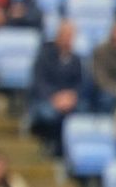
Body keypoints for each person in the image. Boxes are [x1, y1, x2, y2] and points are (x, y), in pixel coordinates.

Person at [29, 20, 82, 155]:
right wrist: (55, 97)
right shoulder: (44, 56)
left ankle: (64, 150)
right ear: (58, 36)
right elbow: (39, 82)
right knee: (49, 113)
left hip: (69, 101)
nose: (68, 39)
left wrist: (71, 97)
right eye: (65, 35)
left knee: (83, 111)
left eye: (70, 36)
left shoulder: (76, 60)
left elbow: (79, 83)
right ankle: (50, 144)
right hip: (46, 99)